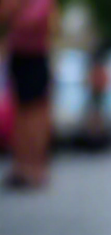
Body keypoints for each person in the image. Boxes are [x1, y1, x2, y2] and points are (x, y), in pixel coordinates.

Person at [0, 0, 56, 189]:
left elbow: (36, 22)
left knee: (36, 115)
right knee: (20, 113)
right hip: (19, 55)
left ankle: (37, 167)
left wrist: (16, 10)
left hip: (36, 56)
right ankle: (21, 167)